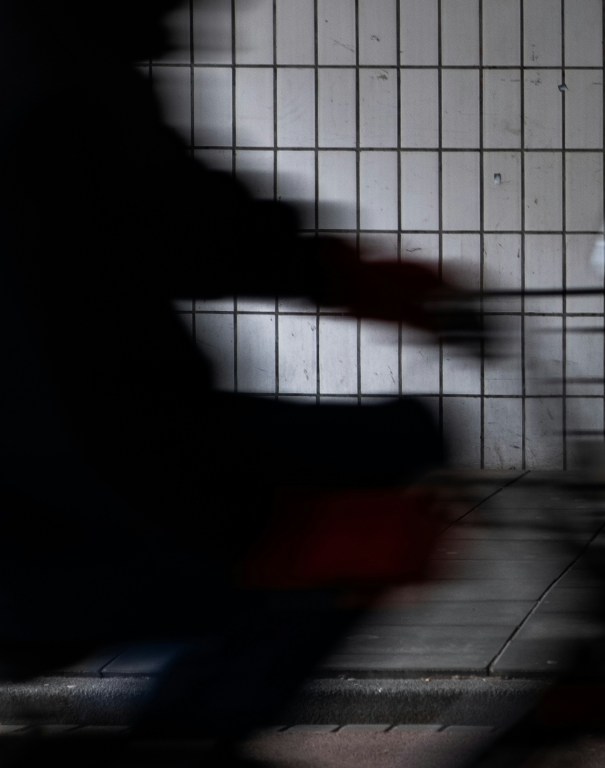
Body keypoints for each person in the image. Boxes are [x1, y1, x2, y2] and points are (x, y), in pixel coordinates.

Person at [0, 2, 480, 764]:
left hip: (85, 462)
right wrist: (265, 532)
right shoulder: (44, 80)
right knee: (365, 492)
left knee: (398, 437)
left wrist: (339, 273)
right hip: (48, 520)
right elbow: (58, 400)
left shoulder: (66, 59)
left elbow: (164, 214)